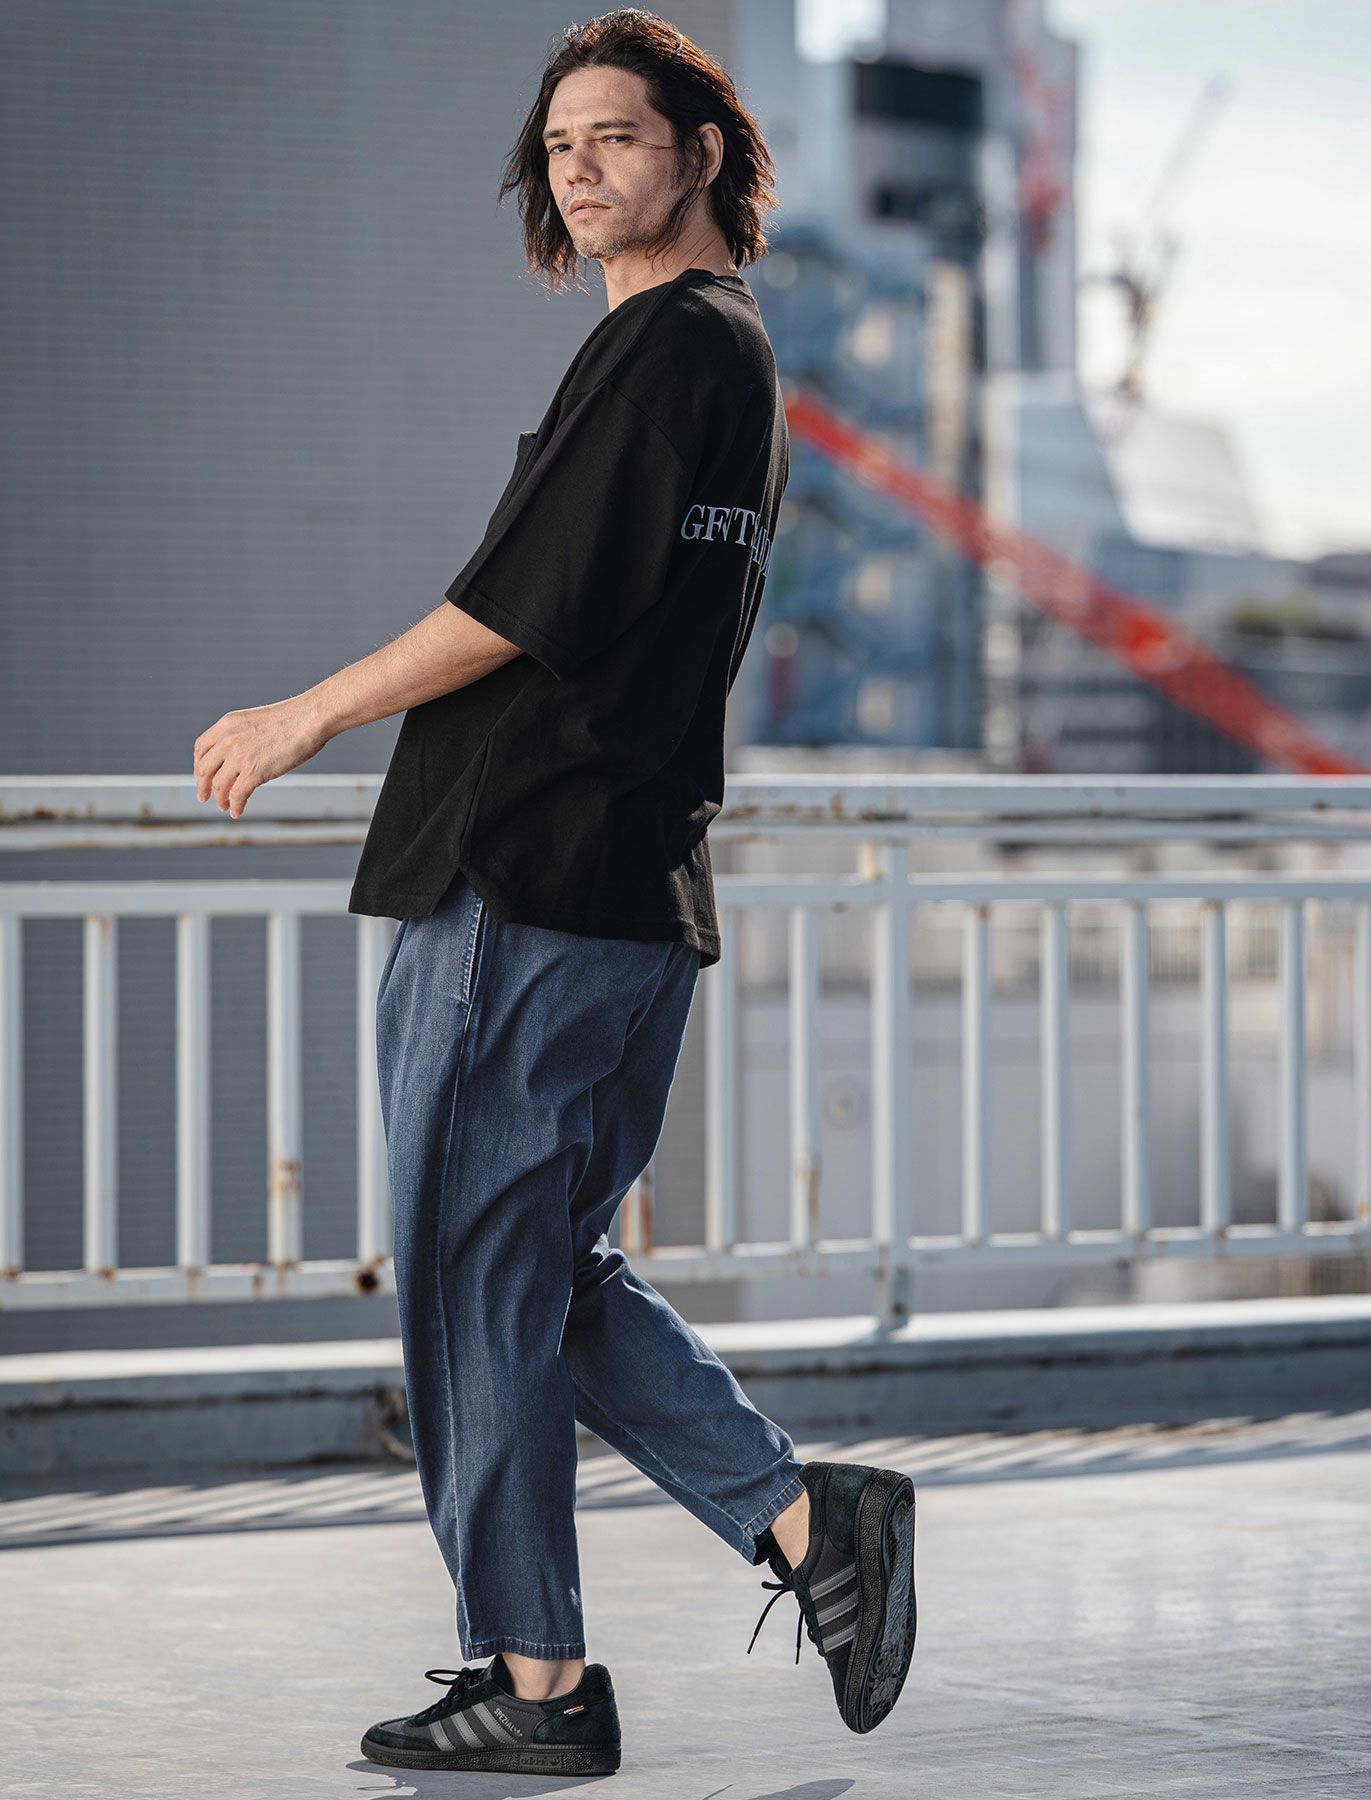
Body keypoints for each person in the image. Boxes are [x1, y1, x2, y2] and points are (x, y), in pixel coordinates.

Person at [191, 9, 916, 1776]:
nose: (582, 168)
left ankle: (535, 1679)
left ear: (703, 154)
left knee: (473, 1277)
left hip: (524, 881)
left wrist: (303, 715)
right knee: (534, 1271)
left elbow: (523, 607)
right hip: (624, 888)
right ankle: (804, 1524)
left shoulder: (670, 348)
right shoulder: (733, 363)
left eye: (620, 136)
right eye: (562, 145)